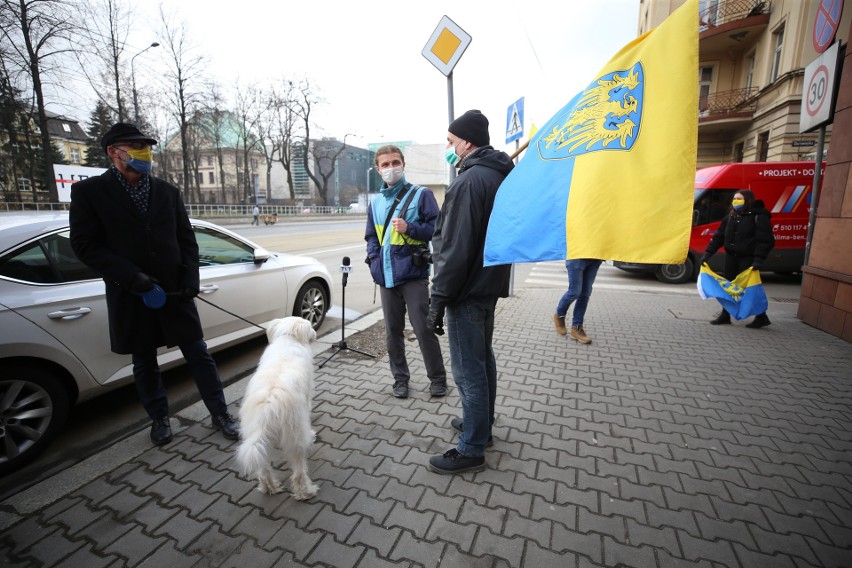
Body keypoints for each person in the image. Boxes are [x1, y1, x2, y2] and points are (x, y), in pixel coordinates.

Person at [69, 122, 240, 446]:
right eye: (134, 146)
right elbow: (85, 245)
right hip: (132, 294)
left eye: (146, 145)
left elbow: (187, 241)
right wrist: (132, 276)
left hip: (175, 292)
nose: (143, 152)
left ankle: (221, 414)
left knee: (198, 354)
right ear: (113, 152)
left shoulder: (167, 192)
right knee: (144, 361)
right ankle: (159, 418)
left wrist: (191, 279)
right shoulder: (90, 193)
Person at [426, 110, 514, 474]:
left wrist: (438, 298)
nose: (448, 147)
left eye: (450, 141)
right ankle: (482, 423)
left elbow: (455, 249)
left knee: (467, 370)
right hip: (488, 284)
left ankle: (472, 447)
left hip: (465, 289)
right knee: (482, 358)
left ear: (466, 142)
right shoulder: (499, 176)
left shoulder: (468, 183)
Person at [365, 145, 447, 399]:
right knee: (392, 332)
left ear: (403, 164)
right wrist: (374, 262)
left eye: (395, 162)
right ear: (378, 170)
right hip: (386, 277)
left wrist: (410, 228)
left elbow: (437, 229)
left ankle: (438, 379)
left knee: (423, 329)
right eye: (386, 165)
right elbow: (371, 237)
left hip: (413, 274)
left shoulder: (421, 194)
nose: (391, 168)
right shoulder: (376, 202)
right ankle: (400, 379)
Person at [699, 189, 775, 328]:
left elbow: (765, 240)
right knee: (729, 287)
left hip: (748, 259)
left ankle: (761, 316)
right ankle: (725, 315)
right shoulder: (731, 217)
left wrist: (758, 258)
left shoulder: (758, 216)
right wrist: (707, 254)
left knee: (749, 289)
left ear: (748, 200)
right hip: (731, 258)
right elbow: (719, 237)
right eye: (734, 198)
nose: (736, 201)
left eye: (739, 198)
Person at [552, 259, 603, 343]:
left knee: (585, 294)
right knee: (574, 292)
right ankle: (559, 315)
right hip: (577, 257)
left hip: (595, 258)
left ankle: (577, 328)